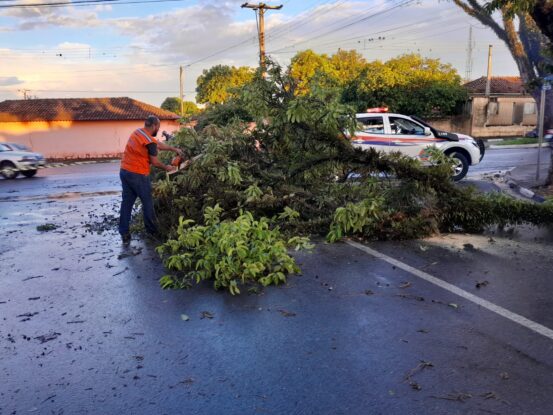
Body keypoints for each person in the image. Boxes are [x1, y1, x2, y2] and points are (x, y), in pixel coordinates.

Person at [118, 115, 184, 244]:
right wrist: (167, 168)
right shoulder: (148, 141)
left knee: (127, 203)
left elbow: (157, 143)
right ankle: (152, 232)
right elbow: (155, 162)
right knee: (147, 202)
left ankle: (124, 233)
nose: (158, 130)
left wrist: (173, 148)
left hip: (125, 172)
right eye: (158, 127)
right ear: (154, 126)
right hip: (138, 174)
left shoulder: (138, 132)